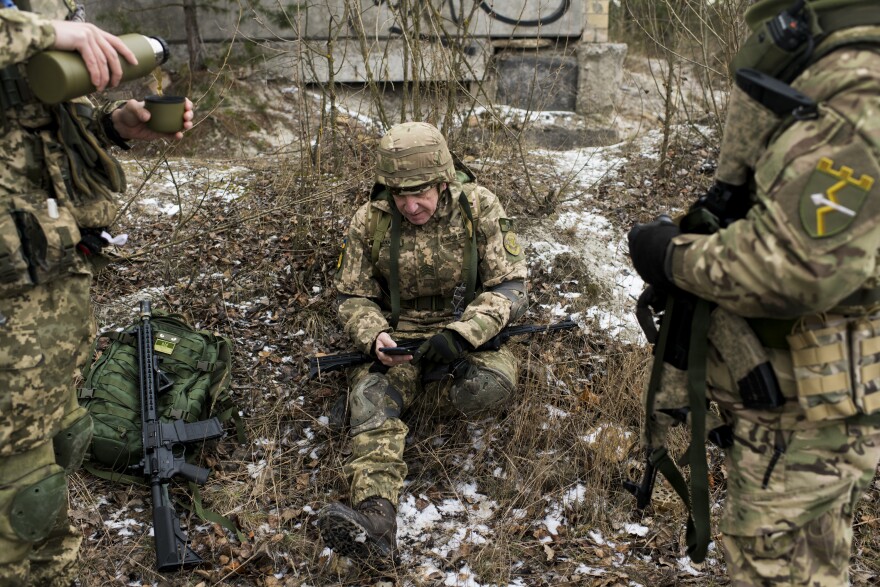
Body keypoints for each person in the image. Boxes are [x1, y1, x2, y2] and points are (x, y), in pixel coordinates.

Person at [627, 0, 880, 584]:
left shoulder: (857, 89)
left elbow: (798, 266)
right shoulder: (843, 79)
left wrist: (670, 256)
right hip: (813, 403)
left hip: (801, 418)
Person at [0, 2, 193, 584]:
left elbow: (34, 134)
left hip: (50, 296)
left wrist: (113, 127)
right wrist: (54, 33)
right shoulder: (45, 21)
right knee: (20, 501)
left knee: (57, 466)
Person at [317, 121, 528, 562]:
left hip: (464, 334)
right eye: (399, 194)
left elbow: (512, 287)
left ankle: (397, 406)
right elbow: (353, 295)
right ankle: (376, 519)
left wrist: (463, 333)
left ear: (443, 179)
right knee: (374, 396)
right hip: (397, 339)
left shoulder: (479, 207)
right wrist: (374, 336)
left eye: (420, 193)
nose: (410, 206)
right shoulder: (369, 220)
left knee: (489, 389)